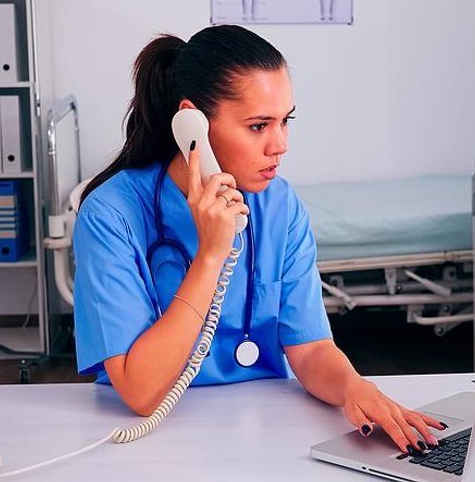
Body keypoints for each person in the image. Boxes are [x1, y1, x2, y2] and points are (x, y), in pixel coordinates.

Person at [73, 25, 444, 455]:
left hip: (267, 429)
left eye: (286, 121)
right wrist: (211, 255)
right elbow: (142, 393)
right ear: (191, 124)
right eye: (258, 126)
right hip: (151, 446)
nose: (280, 144)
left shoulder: (280, 205)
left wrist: (355, 388)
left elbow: (309, 350)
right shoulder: (111, 214)